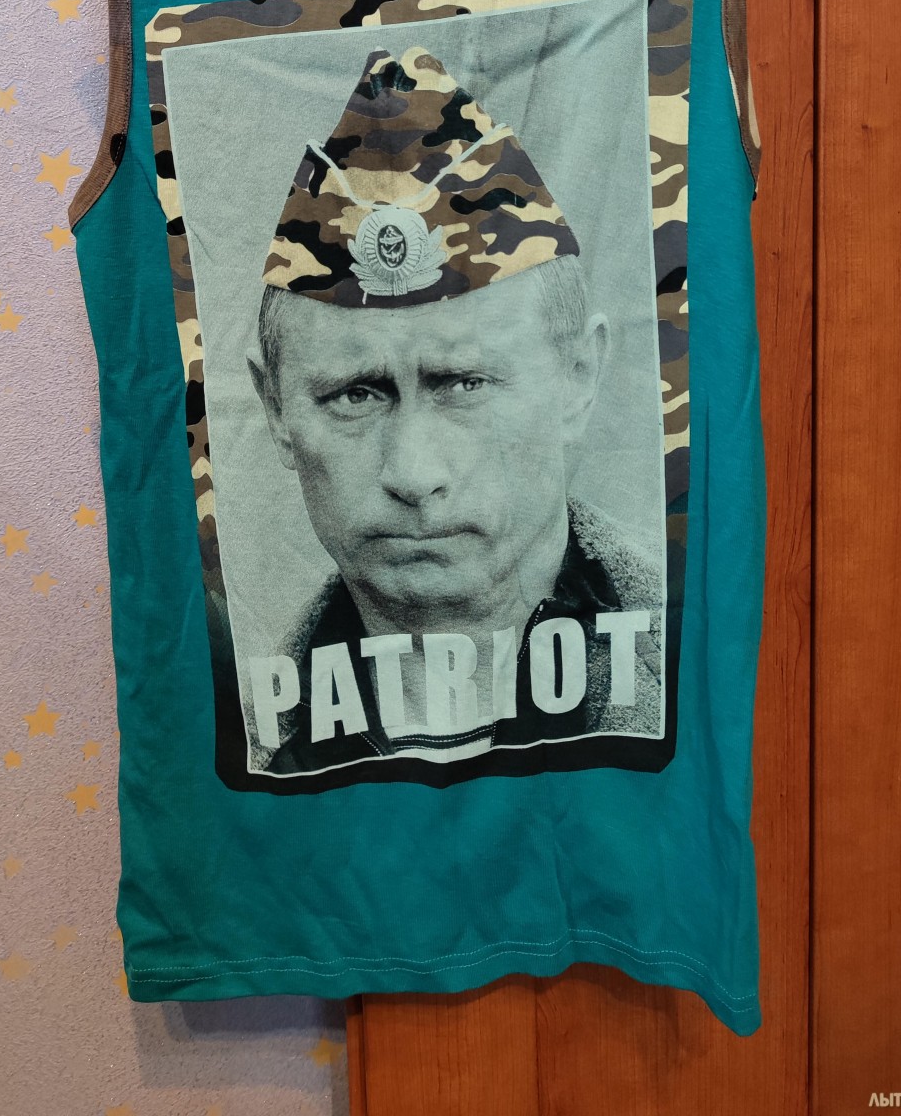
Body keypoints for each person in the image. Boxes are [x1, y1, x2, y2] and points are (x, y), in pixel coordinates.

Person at [243, 44, 662, 774]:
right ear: (275, 407)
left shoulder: (700, 651)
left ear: (578, 378)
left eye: (465, 384)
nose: (413, 474)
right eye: (356, 394)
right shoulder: (236, 724)